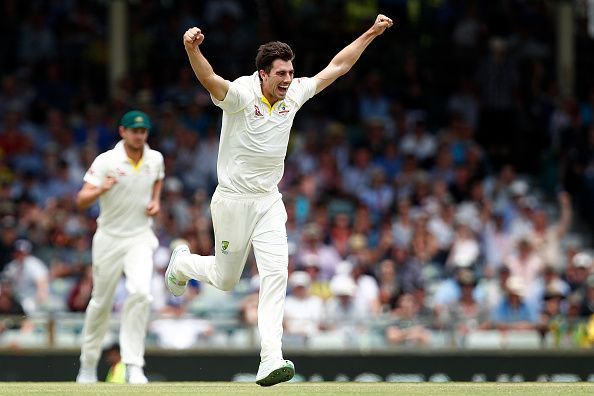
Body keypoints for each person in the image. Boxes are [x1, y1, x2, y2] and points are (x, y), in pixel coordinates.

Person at [166, 15, 394, 387]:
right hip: (232, 201)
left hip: (269, 201)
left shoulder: (295, 93)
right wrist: (192, 49)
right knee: (225, 280)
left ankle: (271, 358)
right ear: (262, 74)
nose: (288, 80)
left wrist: (370, 33)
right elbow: (210, 79)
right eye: (281, 74)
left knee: (276, 275)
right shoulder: (241, 94)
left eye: (290, 73)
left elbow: (337, 67)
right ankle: (184, 263)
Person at [75, 110, 164, 384]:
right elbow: (81, 200)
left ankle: (134, 365)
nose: (139, 135)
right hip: (109, 238)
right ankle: (88, 366)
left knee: (141, 293)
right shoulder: (107, 161)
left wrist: (156, 201)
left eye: (143, 131)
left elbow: (157, 179)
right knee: (101, 303)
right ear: (122, 132)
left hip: (139, 237)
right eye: (134, 130)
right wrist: (102, 188)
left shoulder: (155, 159)